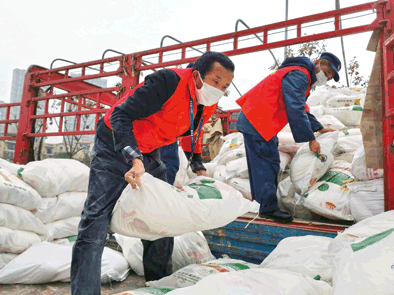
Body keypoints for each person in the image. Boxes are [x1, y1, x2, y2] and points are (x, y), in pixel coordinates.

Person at [70, 51, 234, 294]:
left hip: (150, 147)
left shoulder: (207, 101)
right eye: (216, 81)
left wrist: (198, 167)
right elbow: (120, 114)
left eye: (226, 86)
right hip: (115, 142)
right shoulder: (167, 82)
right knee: (96, 218)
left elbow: (194, 134)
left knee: (162, 214)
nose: (219, 89)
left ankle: (157, 286)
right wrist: (133, 158)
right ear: (198, 76)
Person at [236, 52, 341, 223]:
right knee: (267, 164)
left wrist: (319, 127)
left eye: (330, 76)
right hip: (259, 121)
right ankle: (268, 209)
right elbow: (295, 107)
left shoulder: (300, 74)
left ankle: (260, 205)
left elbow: (302, 106)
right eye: (327, 71)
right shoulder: (300, 75)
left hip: (257, 119)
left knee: (262, 164)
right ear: (317, 63)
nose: (327, 77)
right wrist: (310, 139)